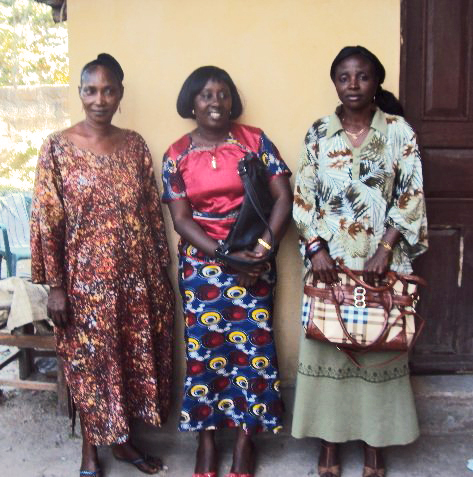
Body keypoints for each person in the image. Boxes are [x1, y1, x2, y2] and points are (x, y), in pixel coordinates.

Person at [30, 53, 174, 477]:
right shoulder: (56, 148)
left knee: (128, 361)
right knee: (90, 366)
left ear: (120, 94)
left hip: (136, 280)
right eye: (90, 90)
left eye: (108, 90)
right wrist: (56, 287)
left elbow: (151, 213)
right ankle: (90, 453)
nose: (99, 99)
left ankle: (124, 443)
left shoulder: (135, 145)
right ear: (79, 93)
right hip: (84, 285)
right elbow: (46, 221)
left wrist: (160, 272)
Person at [292, 46, 428, 477]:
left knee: (378, 349)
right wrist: (316, 249)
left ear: (376, 82)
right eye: (344, 77)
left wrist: (385, 249)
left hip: (381, 263)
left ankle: (375, 445)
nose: (353, 84)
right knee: (329, 348)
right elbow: (303, 197)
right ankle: (328, 444)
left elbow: (411, 194)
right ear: (335, 82)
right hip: (329, 265)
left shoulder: (399, 132)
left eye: (363, 76)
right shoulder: (319, 132)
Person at [162, 66, 293, 477]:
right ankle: (205, 440)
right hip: (203, 268)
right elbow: (181, 220)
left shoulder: (255, 141)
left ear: (232, 100)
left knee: (252, 352)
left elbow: (283, 197)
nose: (215, 102)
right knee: (205, 352)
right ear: (191, 103)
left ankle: (244, 440)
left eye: (222, 94)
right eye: (205, 95)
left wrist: (262, 251)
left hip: (255, 259)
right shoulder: (176, 154)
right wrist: (224, 256)